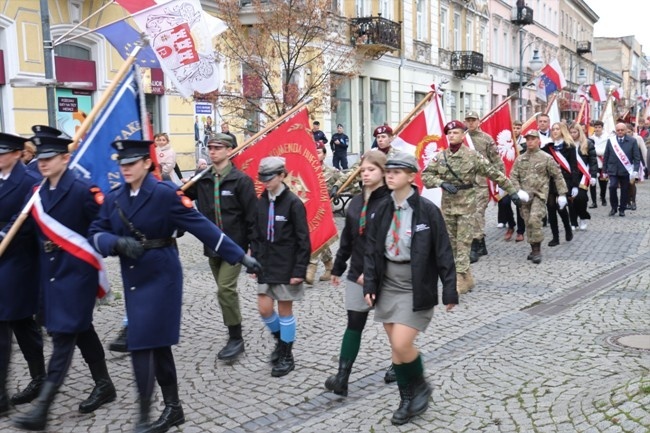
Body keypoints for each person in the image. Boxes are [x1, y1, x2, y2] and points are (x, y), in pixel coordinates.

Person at [88, 139, 262, 432]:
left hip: (162, 276)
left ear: (146, 163)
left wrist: (240, 257)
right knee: (151, 345)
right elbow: (95, 232)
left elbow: (201, 226)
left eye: (131, 163)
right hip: (134, 279)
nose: (125, 169)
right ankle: (170, 408)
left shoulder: (164, 194)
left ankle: (151, 413)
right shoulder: (115, 197)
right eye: (122, 164)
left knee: (146, 343)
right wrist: (114, 242)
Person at [11, 134, 116, 431]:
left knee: (63, 336)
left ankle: (43, 408)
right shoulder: (37, 192)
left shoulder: (84, 190)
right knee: (81, 330)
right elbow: (24, 228)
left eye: (49, 159)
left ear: (65, 159)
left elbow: (104, 223)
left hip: (77, 274)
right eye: (40, 159)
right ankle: (104, 384)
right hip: (50, 274)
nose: (42, 163)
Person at [363, 152, 457, 426]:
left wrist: (449, 290)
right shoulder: (381, 208)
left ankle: (422, 386)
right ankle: (407, 400)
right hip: (387, 282)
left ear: (411, 176)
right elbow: (371, 249)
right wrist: (370, 282)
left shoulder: (427, 210)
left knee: (403, 343)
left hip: (416, 284)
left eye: (397, 171)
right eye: (388, 171)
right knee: (395, 348)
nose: (390, 175)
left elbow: (443, 251)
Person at [421, 120, 519, 294]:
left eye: (456, 132)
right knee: (451, 244)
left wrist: (511, 191)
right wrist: (441, 182)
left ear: (463, 135)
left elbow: (494, 173)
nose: (452, 136)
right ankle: (467, 277)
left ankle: (458, 280)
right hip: (448, 206)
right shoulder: (441, 157)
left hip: (467, 206)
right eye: (449, 133)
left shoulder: (473, 156)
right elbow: (426, 176)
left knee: (464, 242)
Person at [183, 133, 258, 361]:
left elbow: (252, 217)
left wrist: (253, 248)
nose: (212, 151)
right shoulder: (203, 179)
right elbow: (182, 196)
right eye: (210, 147)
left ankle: (236, 338)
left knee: (225, 289)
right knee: (225, 292)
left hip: (234, 246)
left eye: (218, 147)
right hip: (212, 245)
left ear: (230, 151)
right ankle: (234, 327)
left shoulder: (240, 181)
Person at [325, 151, 393, 397]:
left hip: (385, 275)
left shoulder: (391, 202)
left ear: (384, 172)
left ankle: (400, 363)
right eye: (363, 169)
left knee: (391, 325)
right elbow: (348, 239)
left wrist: (373, 273)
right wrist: (338, 267)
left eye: (371, 169)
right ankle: (342, 377)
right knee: (354, 322)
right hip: (357, 272)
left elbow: (391, 244)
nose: (365, 173)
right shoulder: (354, 202)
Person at [252, 157, 310, 377]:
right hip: (266, 264)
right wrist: (254, 262)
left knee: (285, 311)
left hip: (287, 264)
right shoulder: (261, 201)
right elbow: (256, 234)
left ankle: (286, 355)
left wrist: (299, 270)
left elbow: (303, 240)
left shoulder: (293, 203)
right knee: (264, 308)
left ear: (282, 176)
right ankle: (281, 340)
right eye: (263, 178)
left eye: (270, 178)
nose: (265, 182)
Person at [0, 133, 45, 418]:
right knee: (11, 323)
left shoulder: (29, 182)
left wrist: (3, 234)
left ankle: (37, 377)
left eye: (2, 152)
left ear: (17, 153)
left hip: (18, 263)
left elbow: (33, 223)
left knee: (16, 322)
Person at [510, 130, 568, 263]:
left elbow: (557, 175)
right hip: (524, 197)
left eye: (532, 139)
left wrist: (562, 194)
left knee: (534, 219)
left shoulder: (546, 158)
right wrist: (518, 191)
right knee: (527, 222)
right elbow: (513, 176)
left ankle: (537, 250)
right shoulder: (520, 159)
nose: (529, 141)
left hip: (540, 195)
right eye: (528, 139)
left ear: (538, 141)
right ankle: (532, 247)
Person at [464, 111, 504, 263]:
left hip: (482, 184)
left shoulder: (486, 139)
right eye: (468, 120)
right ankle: (481, 245)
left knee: (477, 214)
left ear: (479, 121)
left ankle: (475, 246)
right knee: (470, 215)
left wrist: (501, 180)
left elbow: (496, 160)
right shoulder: (463, 138)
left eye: (473, 120)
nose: (471, 123)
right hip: (466, 184)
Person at [331, 125, 399, 197]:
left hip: (393, 194)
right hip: (374, 194)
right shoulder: (370, 155)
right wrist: (337, 185)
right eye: (378, 137)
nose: (380, 139)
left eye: (383, 137)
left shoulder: (397, 155)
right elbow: (354, 171)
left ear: (391, 138)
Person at [306, 142, 340, 284]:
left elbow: (343, 179)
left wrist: (336, 189)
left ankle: (311, 268)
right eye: (314, 151)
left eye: (319, 152)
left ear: (324, 154)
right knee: (319, 238)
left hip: (325, 211)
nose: (316, 154)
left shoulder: (331, 171)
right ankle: (329, 265)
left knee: (320, 236)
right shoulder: (307, 170)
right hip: (310, 209)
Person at [541, 122, 580, 246]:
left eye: (557, 129)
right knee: (551, 208)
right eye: (553, 129)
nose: (555, 131)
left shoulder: (569, 146)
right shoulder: (548, 147)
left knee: (561, 207)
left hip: (565, 180)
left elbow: (574, 166)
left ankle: (568, 228)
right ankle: (555, 237)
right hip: (551, 181)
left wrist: (575, 185)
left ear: (562, 130)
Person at [603, 122, 641, 217]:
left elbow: (636, 157)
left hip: (625, 170)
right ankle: (613, 207)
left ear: (625, 131)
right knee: (612, 187)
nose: (620, 132)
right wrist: (604, 170)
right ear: (616, 131)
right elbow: (606, 156)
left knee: (624, 190)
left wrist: (635, 170)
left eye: (622, 130)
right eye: (618, 130)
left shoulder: (632, 141)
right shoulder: (611, 141)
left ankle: (622, 209)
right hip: (613, 169)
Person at [568, 123, 597, 230]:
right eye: (570, 132)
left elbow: (593, 161)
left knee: (581, 198)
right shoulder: (567, 144)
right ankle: (573, 221)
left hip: (583, 175)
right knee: (571, 199)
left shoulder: (588, 143)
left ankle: (583, 217)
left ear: (579, 132)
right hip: (570, 175)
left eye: (574, 132)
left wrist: (593, 175)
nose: (572, 134)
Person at [625, 123, 647, 210]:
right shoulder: (621, 139)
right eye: (625, 132)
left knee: (632, 183)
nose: (627, 134)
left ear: (632, 131)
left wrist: (646, 165)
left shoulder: (638, 138)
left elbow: (644, 151)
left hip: (634, 164)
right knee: (625, 184)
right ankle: (627, 202)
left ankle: (633, 201)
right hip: (623, 164)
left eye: (629, 132)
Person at [589, 120, 609, 207]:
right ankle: (594, 202)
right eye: (596, 127)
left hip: (603, 163)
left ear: (602, 128)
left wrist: (596, 152)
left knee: (603, 183)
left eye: (599, 127)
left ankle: (603, 197)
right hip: (593, 163)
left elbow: (607, 151)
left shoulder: (607, 137)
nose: (597, 129)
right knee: (592, 182)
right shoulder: (591, 138)